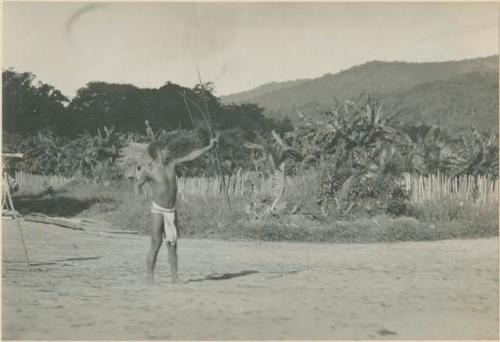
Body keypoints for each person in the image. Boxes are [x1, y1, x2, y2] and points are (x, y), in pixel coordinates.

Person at [135, 137, 218, 283]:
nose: (169, 152)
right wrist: (140, 197)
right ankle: (150, 277)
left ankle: (175, 278)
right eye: (166, 150)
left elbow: (190, 156)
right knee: (156, 243)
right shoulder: (149, 170)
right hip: (157, 210)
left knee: (172, 246)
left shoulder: (171, 165)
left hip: (171, 211)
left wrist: (208, 147)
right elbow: (137, 184)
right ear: (159, 152)